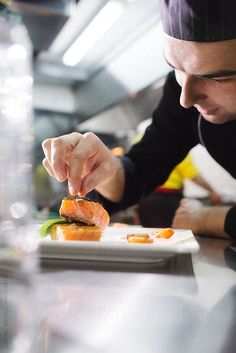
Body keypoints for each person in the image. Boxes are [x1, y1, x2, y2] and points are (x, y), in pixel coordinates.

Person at [42, 0, 236, 239]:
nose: (187, 99)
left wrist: (209, 218)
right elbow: (139, 174)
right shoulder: (180, 92)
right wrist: (109, 168)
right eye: (176, 67)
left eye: (218, 78)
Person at [138, 153, 222, 228]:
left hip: (144, 200)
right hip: (167, 200)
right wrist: (212, 191)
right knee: (171, 238)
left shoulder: (140, 140)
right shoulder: (176, 145)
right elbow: (193, 176)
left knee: (148, 238)